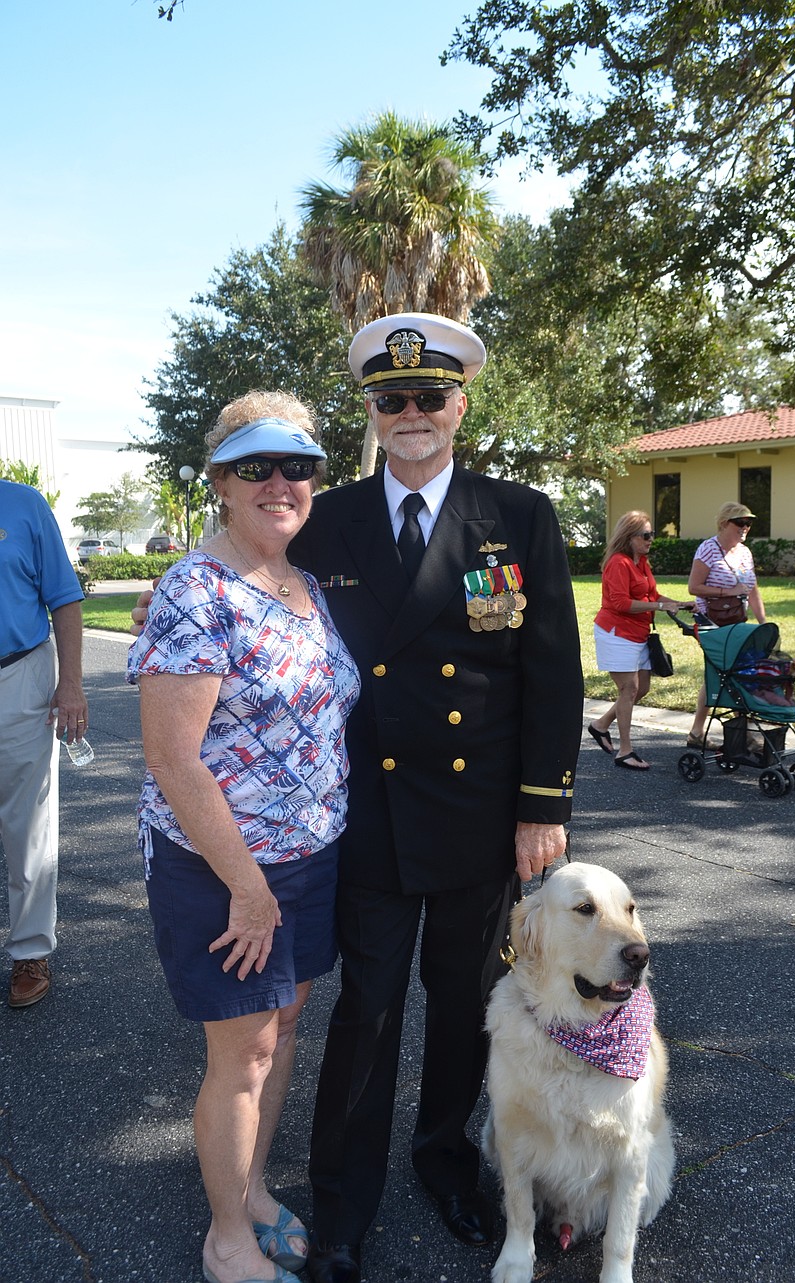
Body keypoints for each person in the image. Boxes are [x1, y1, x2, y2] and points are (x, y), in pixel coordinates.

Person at [132, 316, 584, 1283]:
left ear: (460, 405)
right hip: (364, 818)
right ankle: (342, 1202)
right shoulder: (320, 514)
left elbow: (553, 673)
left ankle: (445, 1163)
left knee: (463, 1004)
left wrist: (543, 805)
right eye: (391, 400)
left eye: (429, 397)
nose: (411, 414)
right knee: (367, 1011)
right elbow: (238, 575)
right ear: (372, 413)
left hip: (479, 818)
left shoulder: (521, 513)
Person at [127, 394, 360, 1283]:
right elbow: (172, 759)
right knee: (242, 1047)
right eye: (253, 467)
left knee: (286, 1023)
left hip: (309, 854)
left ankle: (255, 1186)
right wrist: (250, 887)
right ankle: (227, 1235)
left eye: (297, 466)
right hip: (221, 868)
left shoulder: (303, 583)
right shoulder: (196, 588)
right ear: (220, 482)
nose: (278, 483)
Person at [0, 479, 87, 1008]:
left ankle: (30, 949)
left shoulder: (24, 504)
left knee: (28, 822)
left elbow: (64, 597)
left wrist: (71, 684)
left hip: (20, 675)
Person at [587, 511, 692, 771]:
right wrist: (657, 606)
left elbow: (652, 593)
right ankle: (625, 751)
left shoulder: (641, 562)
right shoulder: (618, 563)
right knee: (629, 689)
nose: (650, 539)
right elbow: (620, 603)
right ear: (629, 537)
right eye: (645, 535)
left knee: (641, 688)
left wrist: (677, 604)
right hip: (616, 633)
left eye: (651, 534)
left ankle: (600, 725)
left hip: (638, 633)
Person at [687, 501, 767, 748]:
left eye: (749, 523)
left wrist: (764, 623)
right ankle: (710, 732)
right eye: (740, 523)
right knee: (720, 673)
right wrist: (727, 591)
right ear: (724, 524)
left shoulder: (744, 553)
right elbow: (694, 587)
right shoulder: (708, 549)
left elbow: (752, 590)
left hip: (737, 622)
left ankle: (728, 731)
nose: (745, 528)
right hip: (713, 622)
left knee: (734, 673)